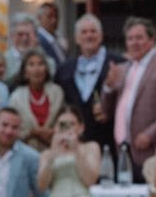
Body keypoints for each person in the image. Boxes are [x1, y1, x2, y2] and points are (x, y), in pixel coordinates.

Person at [105, 15, 156, 175]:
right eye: (130, 39)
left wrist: (151, 134)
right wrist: (108, 87)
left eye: (139, 38)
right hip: (122, 149)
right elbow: (106, 110)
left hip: (153, 151)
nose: (134, 43)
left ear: (151, 40)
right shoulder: (123, 68)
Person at [52, 13, 122, 151]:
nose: (89, 36)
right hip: (73, 140)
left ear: (101, 36)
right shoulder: (65, 69)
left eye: (93, 31)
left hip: (110, 139)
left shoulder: (118, 63)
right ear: (77, 38)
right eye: (84, 32)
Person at [35, 105, 104, 197]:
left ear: (81, 127)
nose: (67, 128)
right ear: (55, 128)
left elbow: (90, 180)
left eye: (72, 124)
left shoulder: (90, 147)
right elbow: (42, 186)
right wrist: (53, 153)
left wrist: (76, 150)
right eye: (62, 124)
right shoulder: (47, 154)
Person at [6, 49, 63, 151]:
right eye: (31, 65)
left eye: (40, 64)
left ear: (46, 69)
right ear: (25, 72)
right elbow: (11, 127)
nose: (37, 69)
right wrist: (33, 132)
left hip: (55, 151)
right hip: (25, 152)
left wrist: (52, 132)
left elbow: (65, 121)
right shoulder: (16, 97)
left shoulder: (57, 92)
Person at [3, 16, 40, 80]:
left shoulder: (43, 58)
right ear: (12, 36)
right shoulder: (4, 60)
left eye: (28, 35)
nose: (24, 38)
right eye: (20, 34)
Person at [34, 0, 68, 65]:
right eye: (50, 17)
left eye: (56, 17)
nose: (54, 21)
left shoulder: (58, 38)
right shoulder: (37, 40)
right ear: (39, 18)